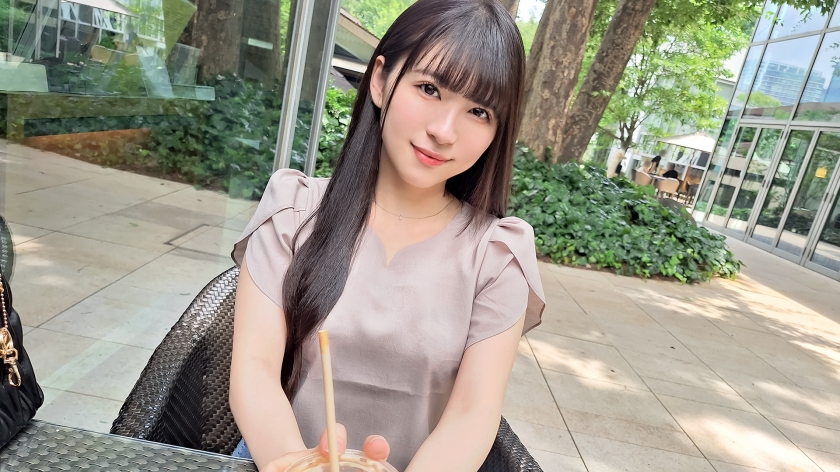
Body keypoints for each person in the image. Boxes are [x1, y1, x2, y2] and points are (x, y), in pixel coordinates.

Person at [227, 1, 546, 471]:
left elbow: (473, 414)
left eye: (479, 111)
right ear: (380, 80)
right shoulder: (292, 211)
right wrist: (300, 467)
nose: (443, 131)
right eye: (429, 88)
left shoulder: (498, 256)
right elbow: (254, 370)